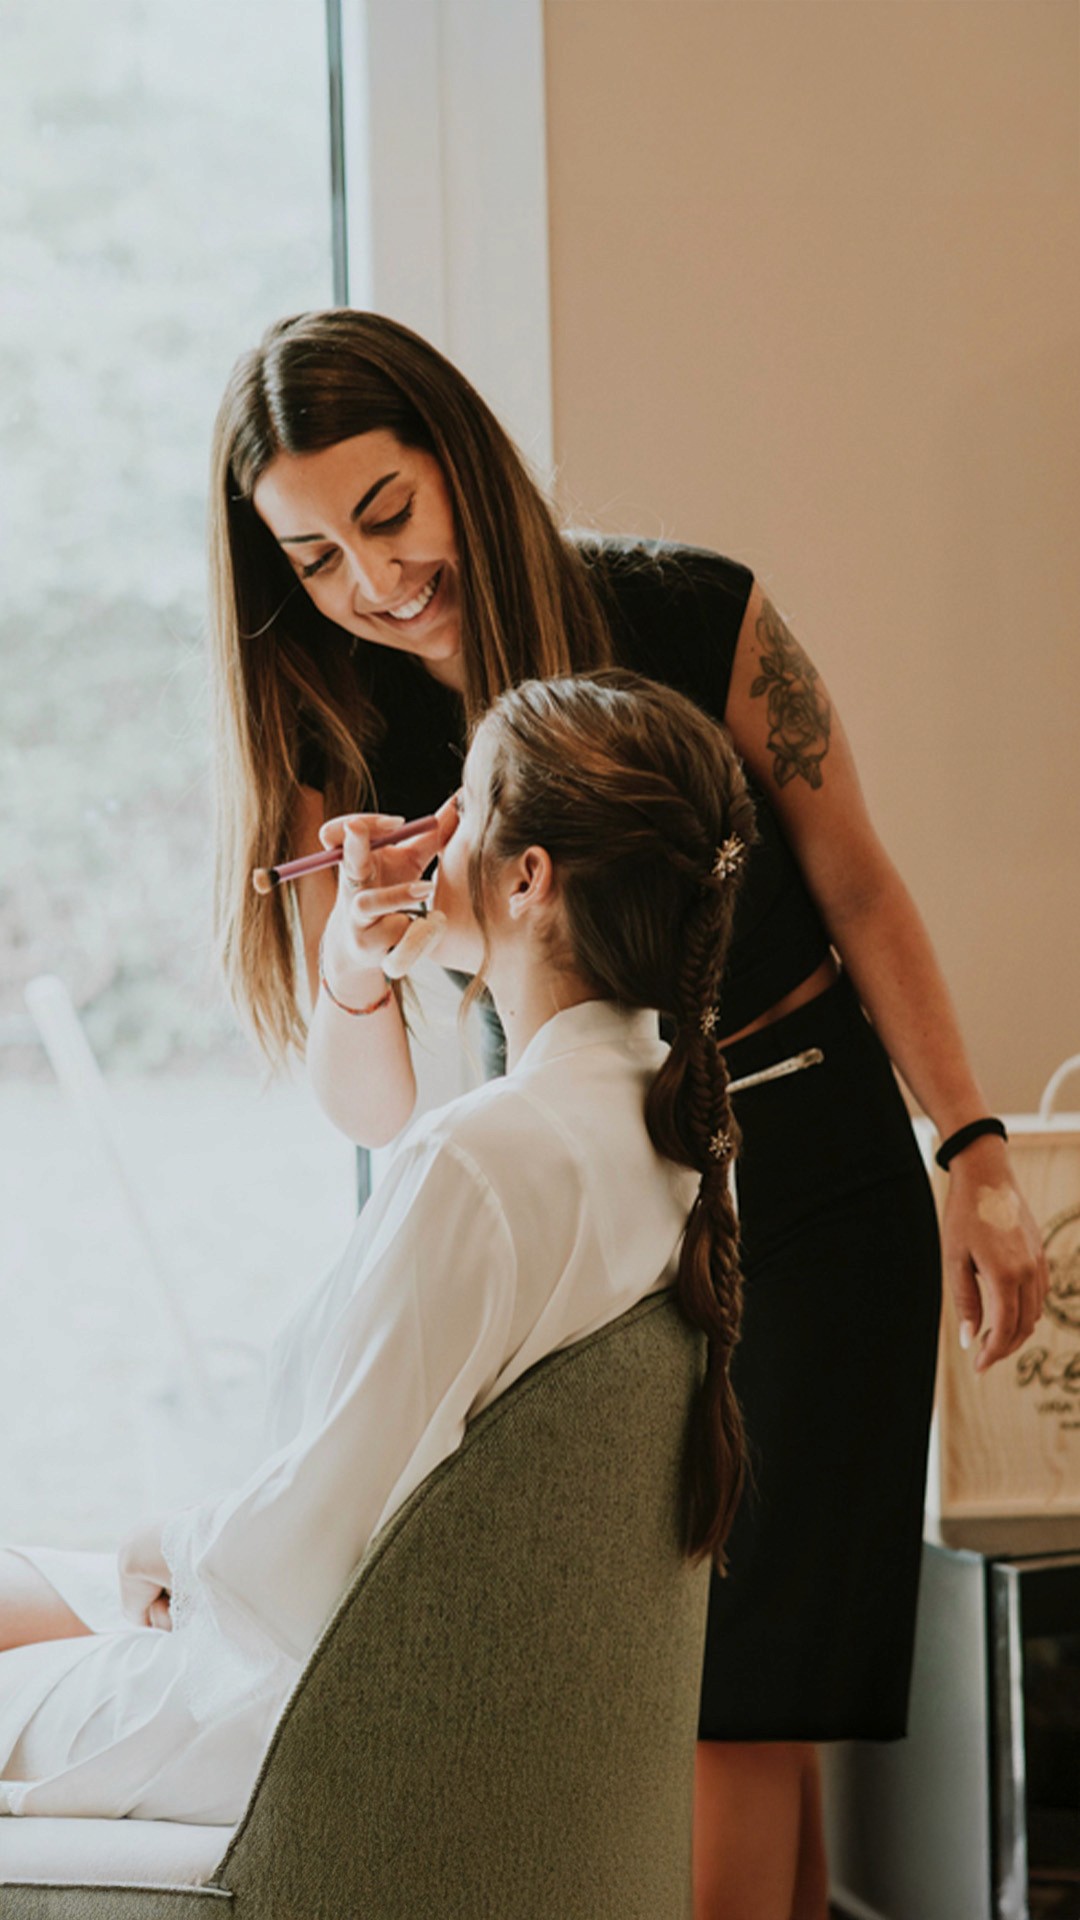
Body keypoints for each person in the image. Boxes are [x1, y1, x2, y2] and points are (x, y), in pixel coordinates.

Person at [209, 310, 1049, 1919]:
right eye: (313, 558)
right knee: (701, 1690)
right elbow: (372, 1109)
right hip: (615, 1212)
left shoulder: (692, 608)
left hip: (812, 1169)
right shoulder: (338, 722)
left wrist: (976, 1149)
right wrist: (359, 969)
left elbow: (859, 885)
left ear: (458, 455)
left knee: (762, 1698)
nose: (373, 584)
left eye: (387, 514)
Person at [0, 671, 753, 1825]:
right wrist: (377, 957)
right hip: (433, 1688)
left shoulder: (489, 1159)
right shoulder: (674, 1132)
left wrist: (170, 1542)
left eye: (462, 806)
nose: (429, 833)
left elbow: (314, 1547)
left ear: (531, 877)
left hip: (302, 1719)